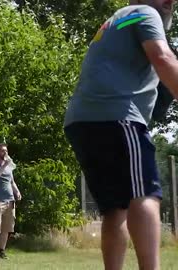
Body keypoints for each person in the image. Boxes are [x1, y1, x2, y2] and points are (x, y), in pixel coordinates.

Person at [64, 1, 177, 269]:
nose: (170, 2)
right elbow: (162, 57)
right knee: (145, 193)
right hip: (118, 115)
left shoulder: (118, 20)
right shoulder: (145, 12)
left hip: (82, 122)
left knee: (116, 208)